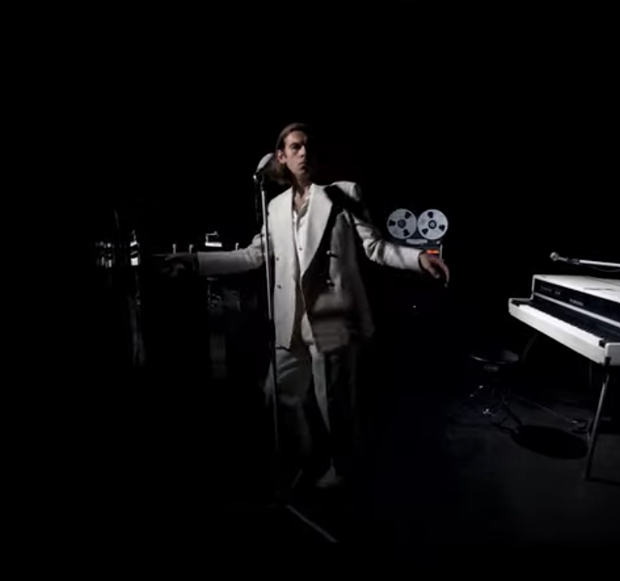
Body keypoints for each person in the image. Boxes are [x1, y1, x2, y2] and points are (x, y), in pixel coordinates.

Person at [162, 122, 449, 490]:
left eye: (308, 146)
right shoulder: (276, 206)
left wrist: (418, 259)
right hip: (291, 317)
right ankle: (304, 459)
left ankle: (342, 471)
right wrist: (195, 261)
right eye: (295, 147)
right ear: (281, 156)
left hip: (330, 315)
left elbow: (375, 247)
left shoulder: (343, 193)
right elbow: (253, 255)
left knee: (334, 401)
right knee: (277, 395)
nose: (304, 153)